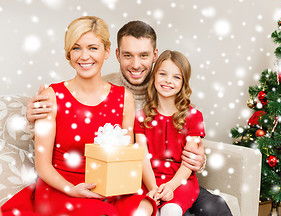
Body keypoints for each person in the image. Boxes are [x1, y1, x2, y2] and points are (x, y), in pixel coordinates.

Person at [25, 20, 232, 216]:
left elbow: (187, 129)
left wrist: (198, 159)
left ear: (154, 55)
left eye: (143, 55)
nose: (135, 64)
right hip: (141, 178)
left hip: (174, 179)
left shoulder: (167, 82)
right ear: (115, 54)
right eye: (127, 55)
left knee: (215, 207)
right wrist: (31, 115)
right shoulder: (104, 88)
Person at [1, 16, 156, 216]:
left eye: (93, 48)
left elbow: (125, 156)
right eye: (76, 48)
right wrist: (71, 189)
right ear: (69, 53)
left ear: (107, 51)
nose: (84, 56)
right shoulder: (52, 96)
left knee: (144, 208)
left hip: (110, 187)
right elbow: (43, 165)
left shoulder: (124, 98)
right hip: (62, 188)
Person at [135, 50, 205, 216]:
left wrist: (171, 186)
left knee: (170, 210)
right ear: (154, 77)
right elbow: (142, 158)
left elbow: (189, 162)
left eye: (176, 77)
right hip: (147, 179)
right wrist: (153, 189)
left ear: (183, 82)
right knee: (141, 212)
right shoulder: (140, 116)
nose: (168, 81)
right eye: (163, 74)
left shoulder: (194, 117)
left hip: (180, 181)